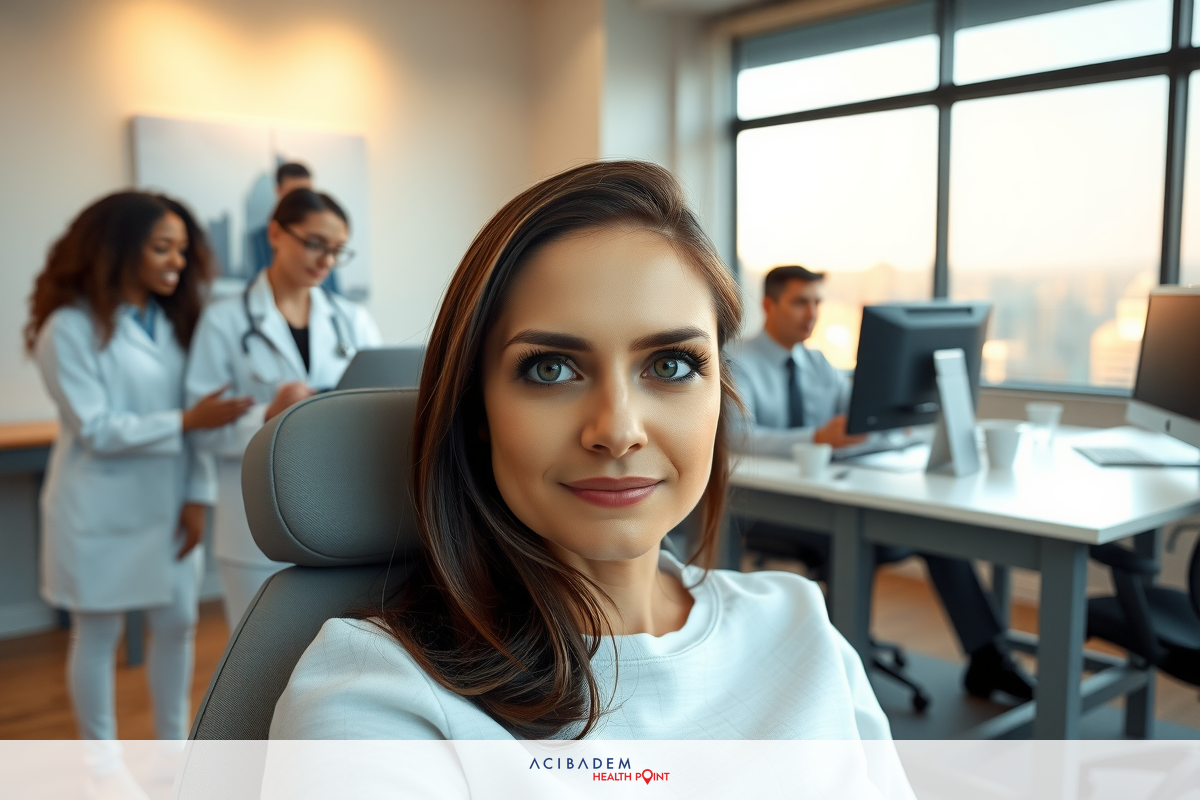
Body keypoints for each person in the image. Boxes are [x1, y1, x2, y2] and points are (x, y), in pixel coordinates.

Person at [264, 161, 914, 797]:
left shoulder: (801, 630)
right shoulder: (380, 695)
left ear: (720, 390)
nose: (618, 429)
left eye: (672, 364)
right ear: (477, 409)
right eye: (550, 369)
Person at [25, 192, 252, 799]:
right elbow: (96, 429)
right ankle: (102, 768)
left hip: (170, 506)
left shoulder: (178, 323)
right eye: (161, 248)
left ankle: (171, 755)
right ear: (117, 249)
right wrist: (186, 422)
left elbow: (202, 421)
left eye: (182, 249)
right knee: (95, 636)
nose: (176, 261)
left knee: (177, 624)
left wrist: (199, 497)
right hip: (98, 509)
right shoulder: (67, 328)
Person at [729, 264, 1035, 702]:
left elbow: (857, 417)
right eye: (800, 302)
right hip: (768, 509)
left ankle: (988, 658)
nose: (811, 313)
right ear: (768, 305)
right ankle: (834, 679)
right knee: (851, 540)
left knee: (935, 530)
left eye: (817, 302)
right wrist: (814, 437)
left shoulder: (818, 365)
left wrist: (896, 419)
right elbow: (735, 438)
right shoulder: (737, 363)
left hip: (830, 495)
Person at [186, 188, 380, 632]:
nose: (326, 260)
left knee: (332, 649)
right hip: (256, 520)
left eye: (336, 250)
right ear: (275, 233)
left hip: (341, 513)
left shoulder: (353, 320)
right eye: (315, 243)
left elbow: (379, 408)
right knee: (255, 656)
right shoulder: (223, 321)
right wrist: (268, 417)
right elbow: (202, 430)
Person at [248, 162, 339, 294]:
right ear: (278, 191)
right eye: (294, 193)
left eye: (307, 193)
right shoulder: (258, 239)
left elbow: (334, 291)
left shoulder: (325, 239)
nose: (302, 200)